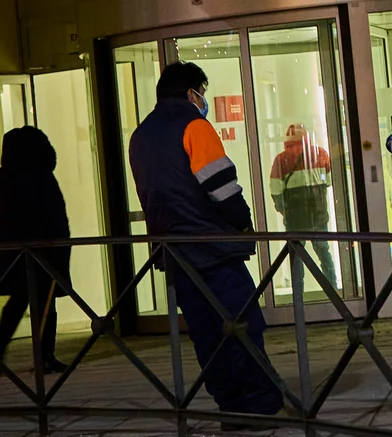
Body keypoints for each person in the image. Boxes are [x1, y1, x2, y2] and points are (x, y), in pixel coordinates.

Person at [129, 62, 284, 420]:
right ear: (191, 93)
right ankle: (260, 404)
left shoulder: (140, 136)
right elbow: (221, 186)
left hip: (174, 253)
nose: (205, 100)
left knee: (205, 335)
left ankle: (229, 408)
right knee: (242, 326)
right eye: (203, 91)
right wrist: (243, 224)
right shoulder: (194, 126)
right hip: (211, 247)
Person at [0, 127, 72, 375]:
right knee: (45, 300)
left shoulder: (3, 176)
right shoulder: (41, 175)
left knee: (19, 299)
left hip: (12, 249)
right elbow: (53, 213)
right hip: (43, 248)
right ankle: (45, 355)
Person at [268, 122, 336, 285]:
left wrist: (283, 210)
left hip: (295, 218)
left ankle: (299, 296)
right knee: (323, 251)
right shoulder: (320, 154)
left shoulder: (281, 160)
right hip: (318, 215)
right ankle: (333, 289)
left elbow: (276, 190)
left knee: (296, 258)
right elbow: (329, 182)